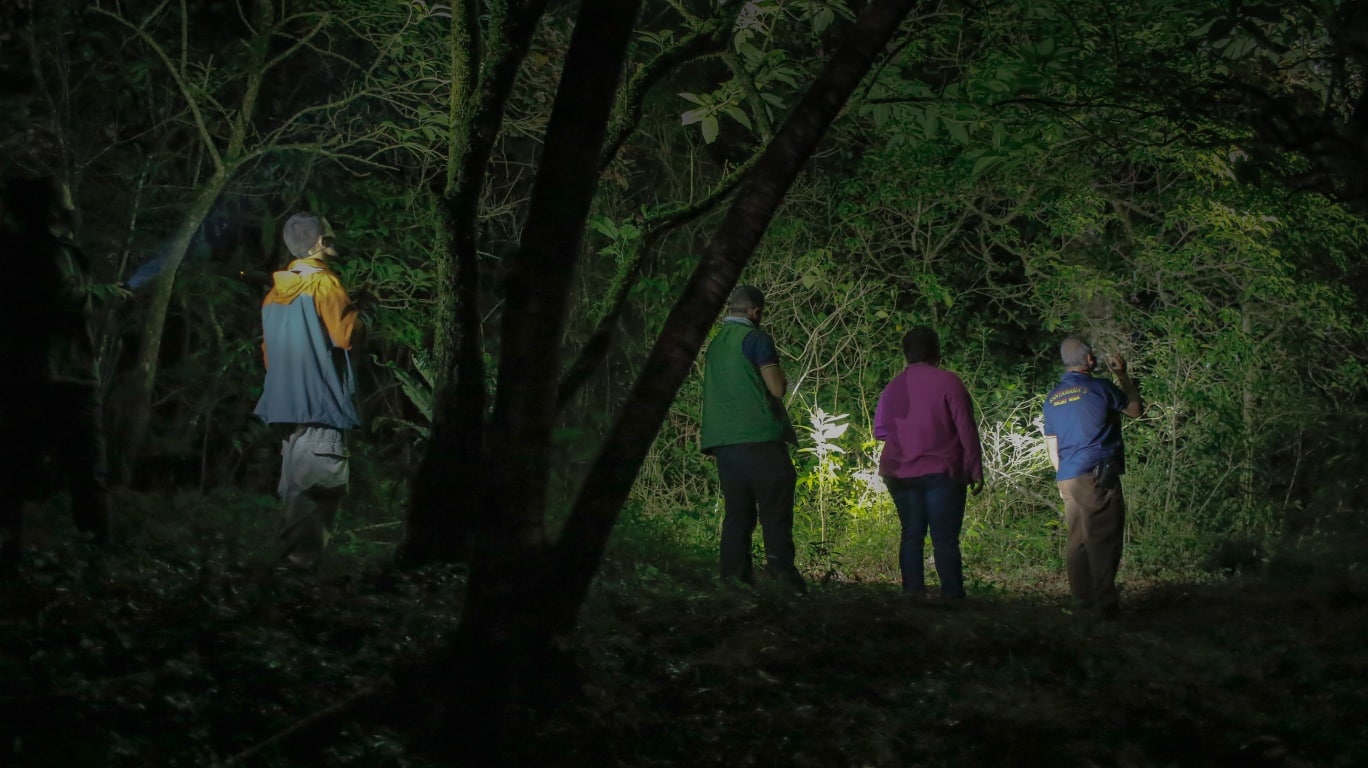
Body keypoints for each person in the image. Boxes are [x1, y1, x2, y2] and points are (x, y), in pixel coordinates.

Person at [0, 175, 114, 575]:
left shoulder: (18, 248)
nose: (72, 204)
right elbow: (65, 299)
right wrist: (107, 295)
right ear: (51, 208)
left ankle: (12, 557)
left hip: (24, 376)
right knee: (87, 472)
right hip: (63, 378)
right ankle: (96, 560)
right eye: (65, 198)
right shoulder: (44, 252)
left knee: (14, 472)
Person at [254, 213, 359, 570]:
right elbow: (348, 335)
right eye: (328, 235)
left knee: (295, 494)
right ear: (318, 244)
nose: (333, 240)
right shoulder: (325, 285)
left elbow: (269, 356)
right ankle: (296, 583)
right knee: (317, 494)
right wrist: (366, 311)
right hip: (321, 407)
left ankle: (282, 578)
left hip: (288, 410)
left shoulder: (273, 295)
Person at [699, 285, 805, 594]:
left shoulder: (716, 345)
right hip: (759, 437)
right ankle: (783, 577)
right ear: (755, 312)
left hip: (724, 442)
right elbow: (777, 389)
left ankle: (734, 579)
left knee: (738, 513)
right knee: (775, 508)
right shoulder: (756, 339)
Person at [874, 327, 984, 602]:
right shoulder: (949, 382)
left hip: (898, 471)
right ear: (937, 352)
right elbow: (966, 430)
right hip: (940, 470)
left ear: (906, 354)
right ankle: (952, 595)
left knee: (911, 532)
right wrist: (974, 468)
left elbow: (881, 430)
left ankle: (913, 592)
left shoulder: (894, 386)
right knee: (944, 536)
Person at [1042, 337, 1143, 619]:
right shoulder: (1101, 388)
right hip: (1098, 474)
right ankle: (1105, 605)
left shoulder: (1052, 399)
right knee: (1103, 537)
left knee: (1078, 541)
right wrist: (1122, 375)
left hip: (1068, 476)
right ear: (1088, 361)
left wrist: (1063, 479)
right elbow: (1136, 410)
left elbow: (1052, 445)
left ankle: (1082, 603)